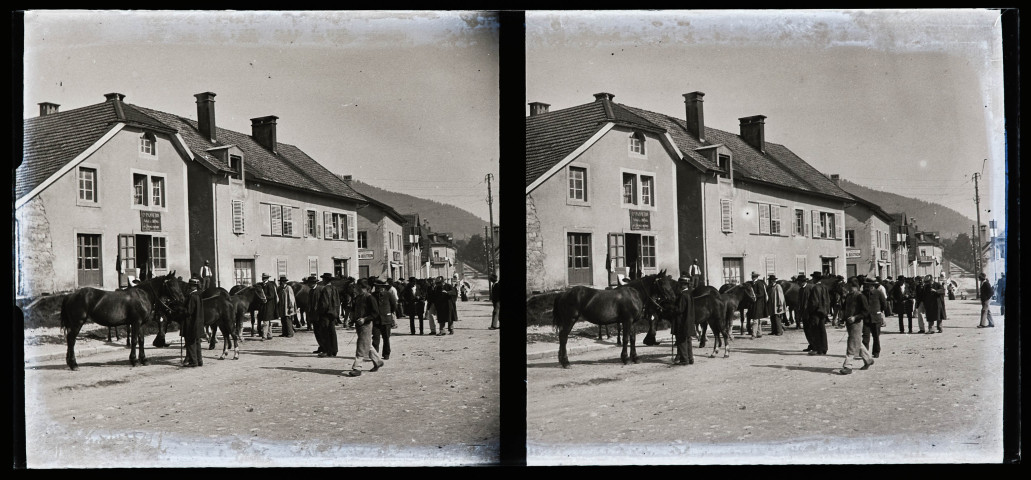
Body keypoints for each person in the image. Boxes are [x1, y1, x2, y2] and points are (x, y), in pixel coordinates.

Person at [346, 279, 384, 377]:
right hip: (359, 325)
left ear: (363, 287)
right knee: (367, 344)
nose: (356, 288)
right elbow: (354, 310)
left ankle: (357, 368)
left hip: (366, 325)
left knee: (361, 345)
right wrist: (352, 320)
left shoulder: (370, 298)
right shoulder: (357, 298)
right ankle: (378, 361)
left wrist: (365, 319)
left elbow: (375, 313)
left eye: (357, 286)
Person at [839, 280, 874, 375]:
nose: (846, 287)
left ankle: (848, 366)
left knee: (851, 343)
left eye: (847, 285)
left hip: (857, 323)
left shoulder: (860, 296)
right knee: (857, 341)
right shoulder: (849, 296)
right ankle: (868, 359)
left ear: (853, 285)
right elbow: (844, 309)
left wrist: (855, 317)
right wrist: (842, 319)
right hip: (849, 323)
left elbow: (866, 311)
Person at [798, 272, 830, 355]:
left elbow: (814, 302)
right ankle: (824, 348)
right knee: (822, 330)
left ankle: (817, 349)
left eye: (813, 278)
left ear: (815, 279)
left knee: (815, 330)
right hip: (823, 311)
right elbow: (827, 300)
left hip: (815, 312)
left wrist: (810, 311)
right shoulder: (824, 287)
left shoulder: (815, 288)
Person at [310, 273, 341, 357]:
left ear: (325, 280)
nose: (322, 281)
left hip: (326, 314)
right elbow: (338, 302)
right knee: (332, 332)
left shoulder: (325, 289)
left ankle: (327, 351)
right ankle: (334, 350)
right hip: (333, 313)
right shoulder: (334, 288)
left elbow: (324, 303)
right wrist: (337, 313)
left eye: (323, 279)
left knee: (325, 332)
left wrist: (320, 312)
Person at [180, 277, 206, 367]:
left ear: (192, 286)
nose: (189, 287)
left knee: (190, 343)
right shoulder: (199, 295)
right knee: (197, 342)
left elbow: (189, 311)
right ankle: (199, 360)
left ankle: (193, 362)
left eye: (190, 285)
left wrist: (181, 310)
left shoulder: (192, 296)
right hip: (198, 322)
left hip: (191, 323)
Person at [862, 279, 887, 358]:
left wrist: (879, 311)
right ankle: (865, 353)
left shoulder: (878, 293)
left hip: (876, 318)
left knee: (876, 336)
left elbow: (884, 304)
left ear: (873, 285)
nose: (868, 287)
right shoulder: (863, 294)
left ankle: (876, 352)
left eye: (870, 285)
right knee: (865, 337)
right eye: (867, 285)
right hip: (866, 318)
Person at [371, 279, 395, 360]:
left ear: (383, 287)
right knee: (375, 338)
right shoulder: (372, 295)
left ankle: (386, 354)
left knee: (386, 338)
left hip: (386, 319)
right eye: (376, 286)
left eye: (379, 287)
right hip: (376, 320)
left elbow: (394, 306)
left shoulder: (388, 295)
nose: (377, 288)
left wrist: (388, 313)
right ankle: (375, 355)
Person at [258, 273, 279, 340]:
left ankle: (264, 336)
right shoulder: (262, 285)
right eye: (263, 277)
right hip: (264, 305)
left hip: (269, 305)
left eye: (265, 277)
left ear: (267, 278)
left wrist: (263, 297)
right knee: (267, 320)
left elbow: (271, 296)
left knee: (265, 320)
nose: (263, 279)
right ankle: (269, 335)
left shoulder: (270, 285)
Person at [747, 272, 768, 338]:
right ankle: (759, 333)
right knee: (757, 319)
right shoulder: (752, 283)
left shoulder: (759, 283)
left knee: (755, 319)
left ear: (756, 277)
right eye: (752, 276)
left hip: (758, 304)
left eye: (754, 276)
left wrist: (754, 296)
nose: (752, 277)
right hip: (754, 303)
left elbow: (761, 294)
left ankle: (753, 334)